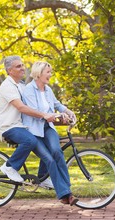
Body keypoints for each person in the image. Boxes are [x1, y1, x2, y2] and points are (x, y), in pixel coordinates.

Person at [22, 61, 79, 206]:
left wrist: (67, 111)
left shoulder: (48, 90)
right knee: (50, 160)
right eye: (48, 72)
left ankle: (66, 190)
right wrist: (55, 115)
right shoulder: (29, 90)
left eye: (50, 72)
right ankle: (66, 194)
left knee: (57, 152)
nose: (50, 75)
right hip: (34, 131)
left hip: (47, 128)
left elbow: (56, 104)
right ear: (39, 73)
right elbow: (37, 112)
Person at [0, 56, 56, 183]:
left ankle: (43, 177)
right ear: (9, 71)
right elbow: (21, 107)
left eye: (22, 65)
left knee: (47, 141)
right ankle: (9, 167)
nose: (23, 68)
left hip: (23, 126)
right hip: (10, 126)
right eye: (18, 66)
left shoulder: (22, 86)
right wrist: (43, 115)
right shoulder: (7, 86)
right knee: (30, 140)